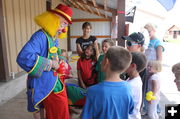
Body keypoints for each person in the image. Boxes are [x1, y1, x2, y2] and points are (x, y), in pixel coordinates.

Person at [16, 4, 73, 119]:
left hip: (51, 80)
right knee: (39, 107)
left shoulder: (53, 36)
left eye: (66, 25)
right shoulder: (40, 36)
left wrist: (62, 60)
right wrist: (51, 64)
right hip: (39, 82)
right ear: (54, 20)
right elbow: (23, 57)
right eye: (63, 23)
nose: (64, 28)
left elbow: (54, 52)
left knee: (50, 108)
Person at [81, 46, 134, 119]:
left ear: (106, 62)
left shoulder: (93, 91)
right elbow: (130, 110)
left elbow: (86, 116)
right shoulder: (128, 87)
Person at [125, 52, 147, 119]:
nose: (123, 65)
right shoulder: (134, 79)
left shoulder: (131, 85)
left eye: (126, 63)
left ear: (133, 66)